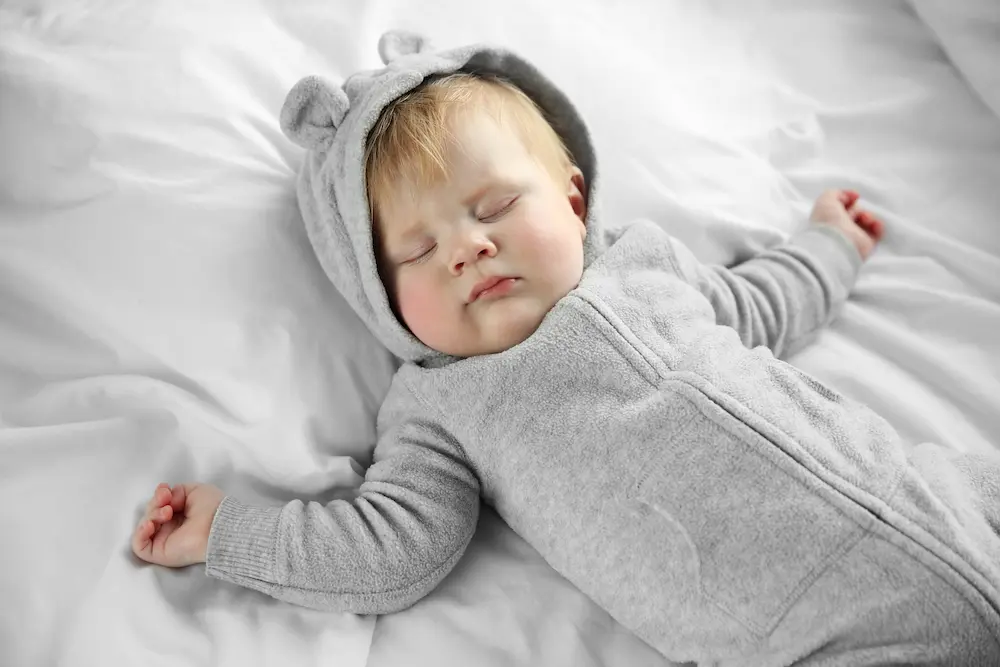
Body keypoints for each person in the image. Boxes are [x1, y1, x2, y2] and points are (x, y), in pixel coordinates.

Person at [132, 31, 1000, 664]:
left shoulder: (646, 264)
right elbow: (388, 550)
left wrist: (830, 246)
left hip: (953, 499)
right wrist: (227, 534)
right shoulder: (440, 409)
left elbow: (760, 306)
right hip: (824, 635)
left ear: (574, 202)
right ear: (383, 301)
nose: (467, 248)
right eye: (418, 252)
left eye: (494, 208)